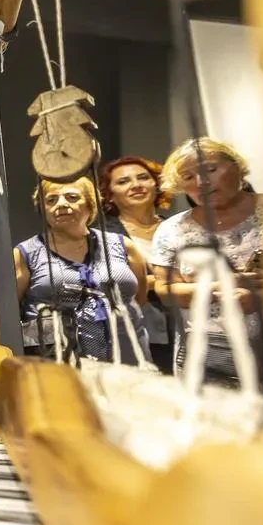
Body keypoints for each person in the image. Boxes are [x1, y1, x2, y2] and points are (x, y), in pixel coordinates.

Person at [151, 138, 263, 386]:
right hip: (209, 356)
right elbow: (165, 290)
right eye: (187, 177)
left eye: (210, 169)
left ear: (236, 166)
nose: (201, 182)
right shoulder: (172, 229)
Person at [15, 176, 150, 365]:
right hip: (57, 362)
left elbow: (139, 298)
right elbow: (11, 311)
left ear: (90, 204)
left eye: (71, 197)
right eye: (51, 200)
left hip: (127, 355)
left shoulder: (123, 246)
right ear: (42, 209)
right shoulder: (26, 253)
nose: (61, 204)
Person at [99, 156, 176, 371]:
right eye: (123, 182)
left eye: (143, 178)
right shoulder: (104, 236)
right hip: (140, 331)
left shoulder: (180, 226)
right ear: (110, 195)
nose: (136, 185)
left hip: (191, 326)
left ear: (156, 185)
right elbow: (115, 284)